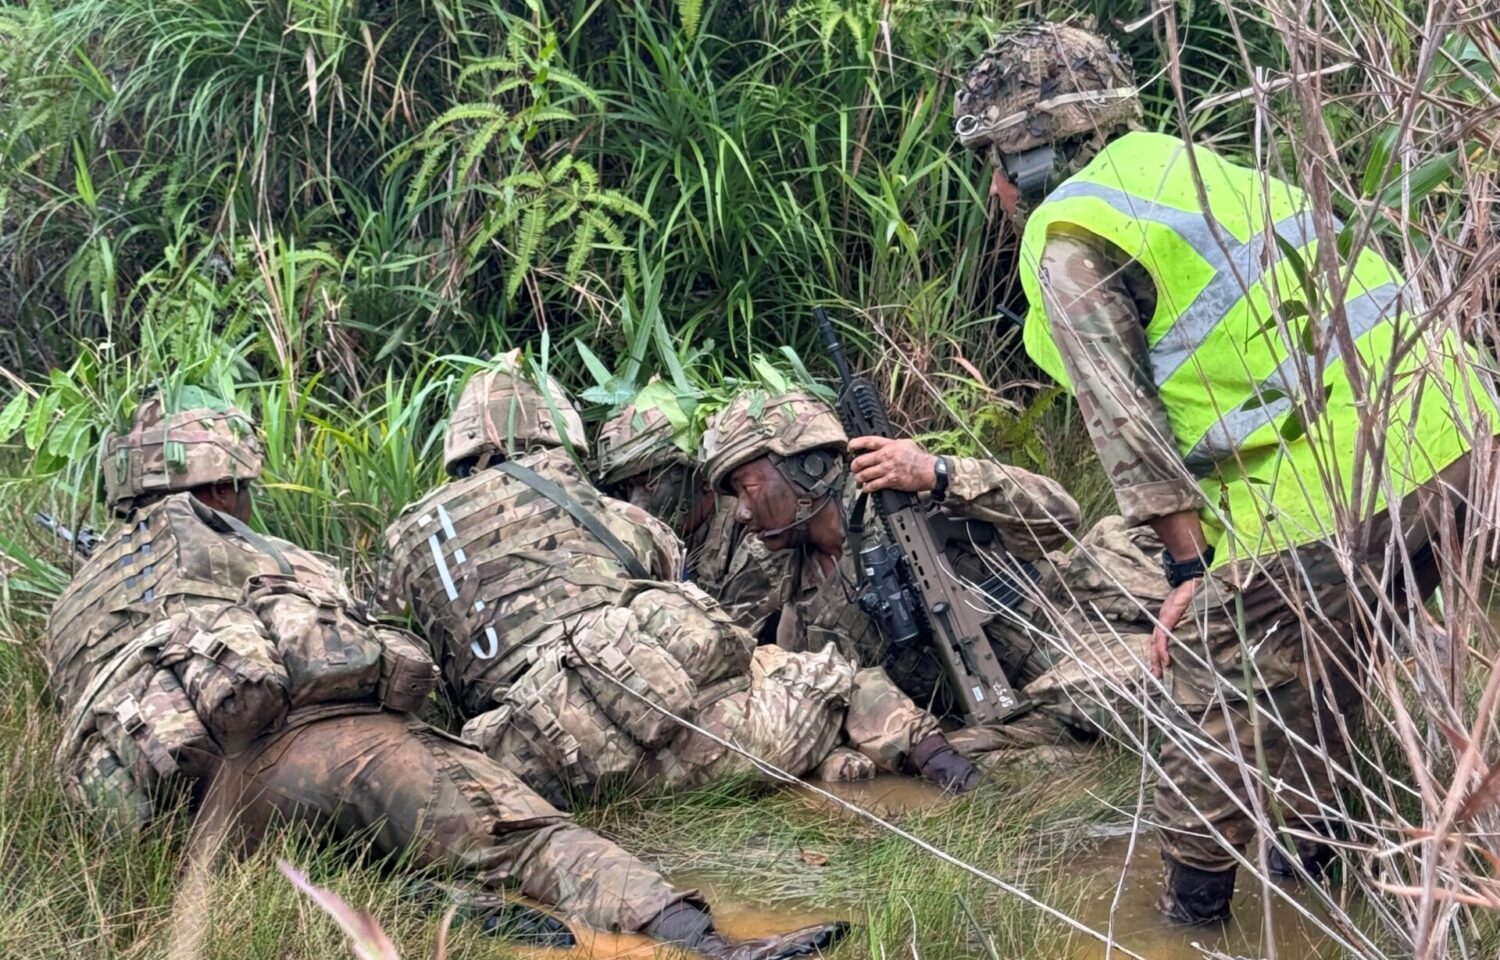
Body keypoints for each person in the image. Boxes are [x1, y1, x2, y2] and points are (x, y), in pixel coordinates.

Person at [952, 20, 1500, 923]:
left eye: (998, 159)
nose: (998, 187)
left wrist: (1186, 574)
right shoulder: (1194, 171)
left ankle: (1190, 922)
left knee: (1207, 674)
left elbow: (1125, 424)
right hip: (1461, 433)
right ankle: (1319, 865)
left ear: (1036, 153)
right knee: (1329, 655)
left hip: (1341, 476)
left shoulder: (1074, 232)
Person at [47, 388, 840, 959]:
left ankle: (434, 905)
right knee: (527, 840)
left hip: (183, 823)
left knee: (331, 858)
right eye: (241, 488)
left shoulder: (70, 602)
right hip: (330, 750)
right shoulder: (244, 542)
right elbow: (346, 631)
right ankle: (700, 939)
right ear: (218, 486)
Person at [380, 354, 977, 807]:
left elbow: (402, 655)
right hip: (655, 739)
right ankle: (958, 776)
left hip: (528, 769)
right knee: (837, 680)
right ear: (550, 430)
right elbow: (673, 593)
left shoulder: (407, 536)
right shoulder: (596, 508)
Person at [699, 387, 1168, 754]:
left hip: (1082, 645)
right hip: (1003, 712)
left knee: (1146, 697)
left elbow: (1059, 516)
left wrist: (938, 471)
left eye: (748, 486)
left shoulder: (905, 502)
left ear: (808, 467)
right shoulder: (798, 605)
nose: (741, 512)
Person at [594, 395, 791, 631]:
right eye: (626, 489)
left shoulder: (752, 531)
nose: (636, 503)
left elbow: (726, 644)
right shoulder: (656, 533)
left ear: (699, 476)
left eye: (650, 485)